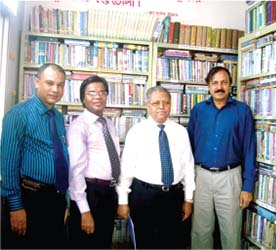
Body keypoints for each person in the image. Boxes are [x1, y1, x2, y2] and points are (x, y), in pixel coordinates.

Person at [116, 86, 195, 249]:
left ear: (171, 105)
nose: (161, 107)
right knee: (145, 243)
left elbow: (188, 167)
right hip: (144, 195)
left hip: (173, 196)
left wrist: (188, 199)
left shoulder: (181, 132)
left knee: (171, 243)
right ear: (148, 105)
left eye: (166, 103)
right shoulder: (136, 132)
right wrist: (123, 201)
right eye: (156, 103)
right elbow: (126, 170)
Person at [0, 63, 69, 249]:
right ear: (36, 82)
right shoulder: (17, 115)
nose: (55, 89)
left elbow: (62, 156)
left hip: (55, 198)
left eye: (61, 84)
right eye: (50, 83)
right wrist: (16, 207)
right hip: (29, 198)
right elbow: (8, 165)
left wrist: (66, 199)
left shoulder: (57, 117)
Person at [187, 66, 257, 249]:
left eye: (224, 82)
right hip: (200, 176)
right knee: (200, 231)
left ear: (230, 85)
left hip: (230, 177)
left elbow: (250, 150)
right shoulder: (198, 111)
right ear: (208, 87)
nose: (219, 87)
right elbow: (188, 149)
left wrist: (247, 186)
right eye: (215, 83)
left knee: (231, 232)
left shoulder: (242, 111)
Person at [66, 75, 120, 249]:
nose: (98, 96)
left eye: (102, 92)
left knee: (103, 243)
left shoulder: (109, 124)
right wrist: (84, 210)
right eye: (91, 93)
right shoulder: (78, 127)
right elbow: (75, 170)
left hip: (108, 193)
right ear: (83, 98)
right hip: (90, 194)